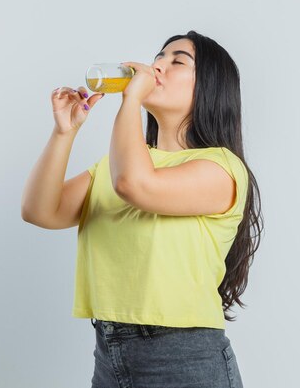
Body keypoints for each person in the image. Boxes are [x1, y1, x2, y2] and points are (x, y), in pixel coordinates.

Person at [21, 30, 263, 388]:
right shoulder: (117, 165)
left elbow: (134, 185)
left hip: (184, 358)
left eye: (178, 60)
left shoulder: (221, 168)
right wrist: (64, 133)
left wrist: (130, 102)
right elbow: (41, 210)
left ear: (211, 88)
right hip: (109, 354)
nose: (158, 66)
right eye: (159, 57)